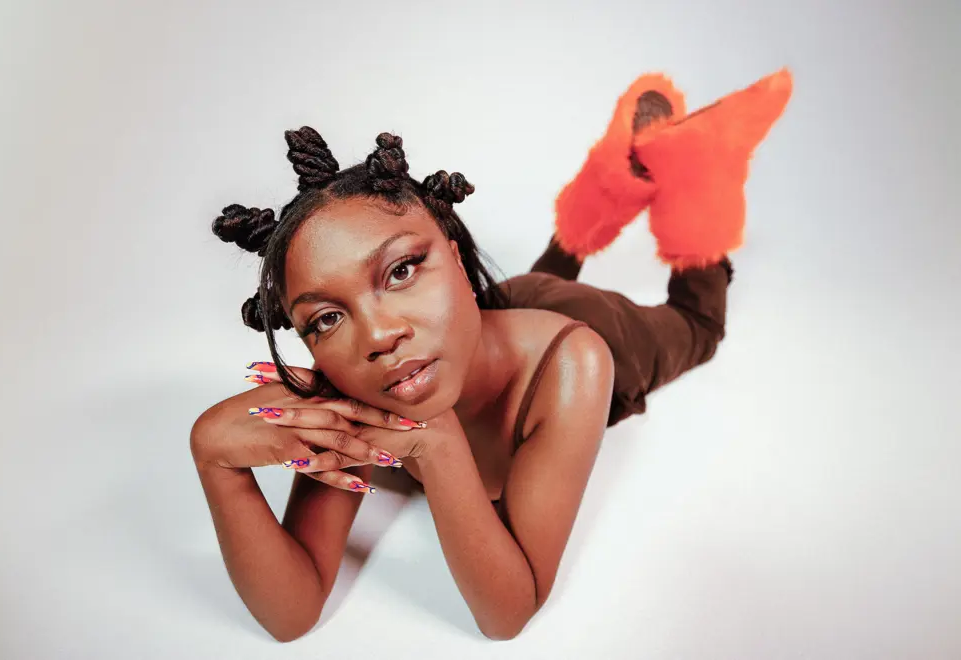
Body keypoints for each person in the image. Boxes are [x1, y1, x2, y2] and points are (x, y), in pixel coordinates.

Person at [190, 69, 793, 642]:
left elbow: (506, 615)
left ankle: (692, 170)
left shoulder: (576, 362)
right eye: (326, 317)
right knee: (525, 286)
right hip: (482, 318)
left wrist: (437, 441)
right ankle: (604, 186)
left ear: (454, 255)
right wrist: (215, 459)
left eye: (401, 270)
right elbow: (290, 615)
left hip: (570, 333)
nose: (376, 336)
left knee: (698, 328)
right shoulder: (361, 378)